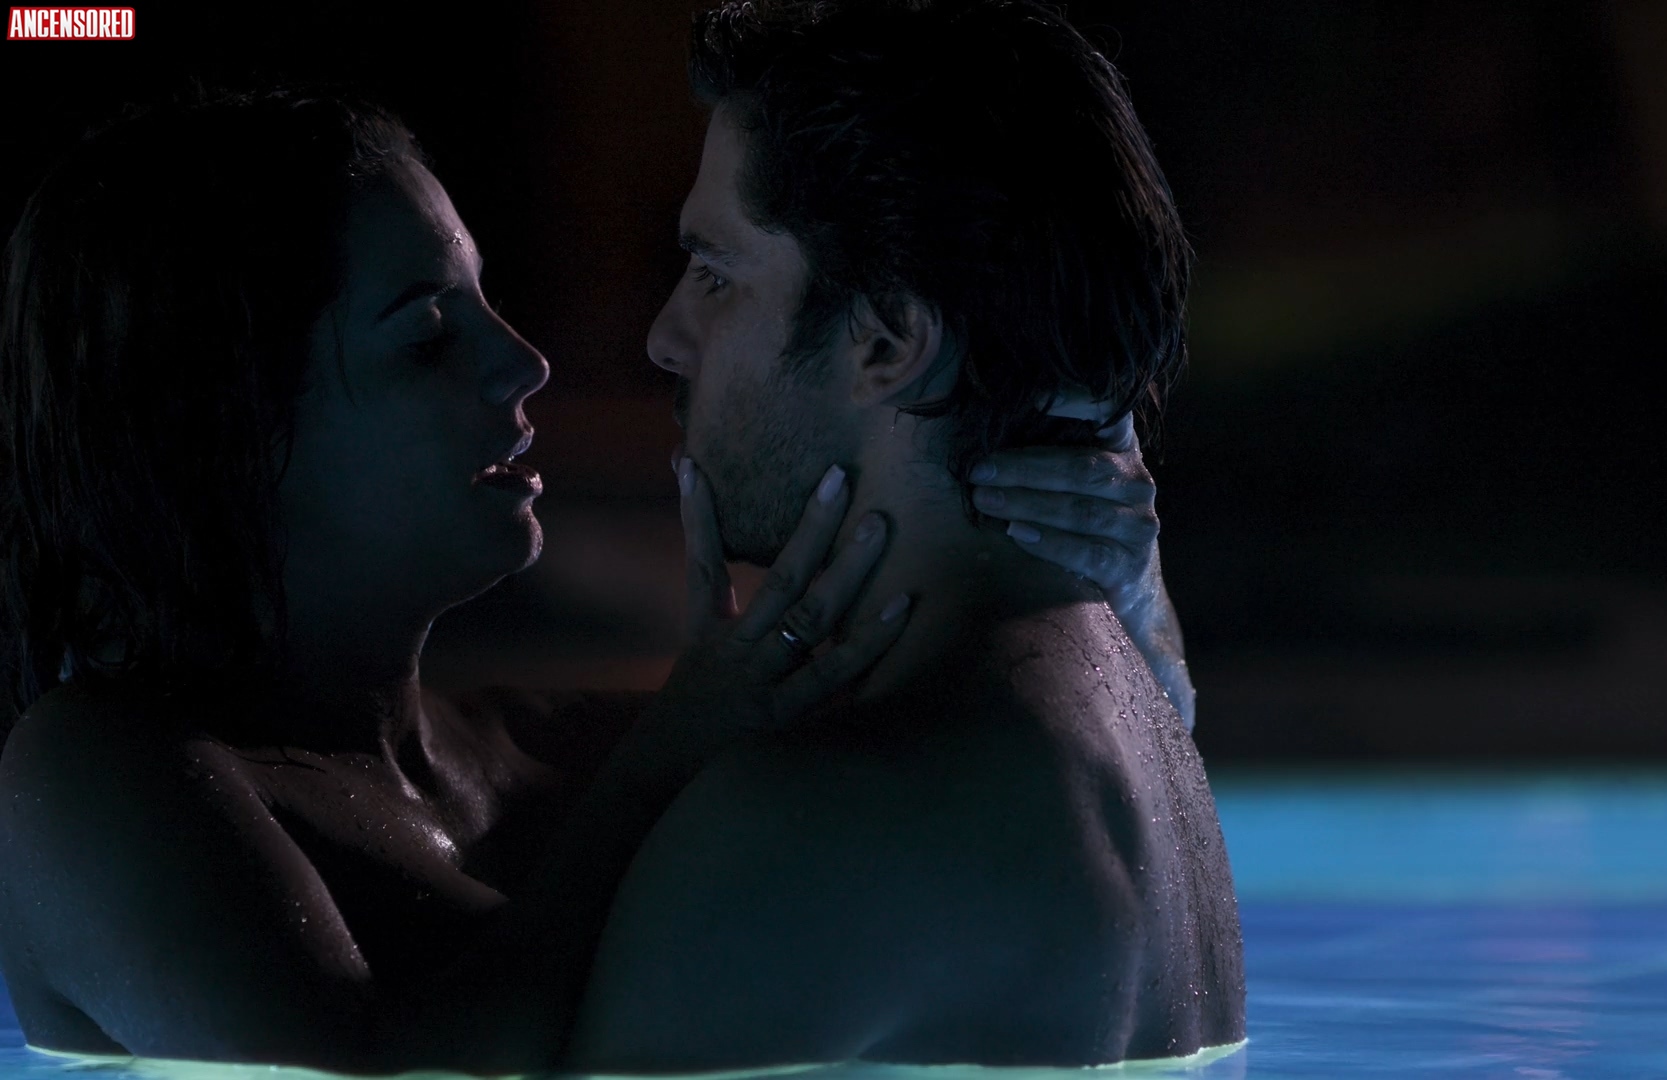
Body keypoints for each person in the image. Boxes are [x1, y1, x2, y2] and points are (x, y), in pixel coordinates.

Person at [0, 85, 1187, 1071]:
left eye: (485, 299)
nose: (523, 361)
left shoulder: (566, 749)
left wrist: (1123, 591)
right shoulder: (93, 781)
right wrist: (657, 769)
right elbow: (369, 1073)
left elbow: (1077, 826)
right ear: (222, 429)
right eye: (426, 337)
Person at [562, 0, 1244, 1071]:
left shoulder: (808, 827)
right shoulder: (1160, 770)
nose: (665, 337)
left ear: (885, 343)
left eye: (716, 275)